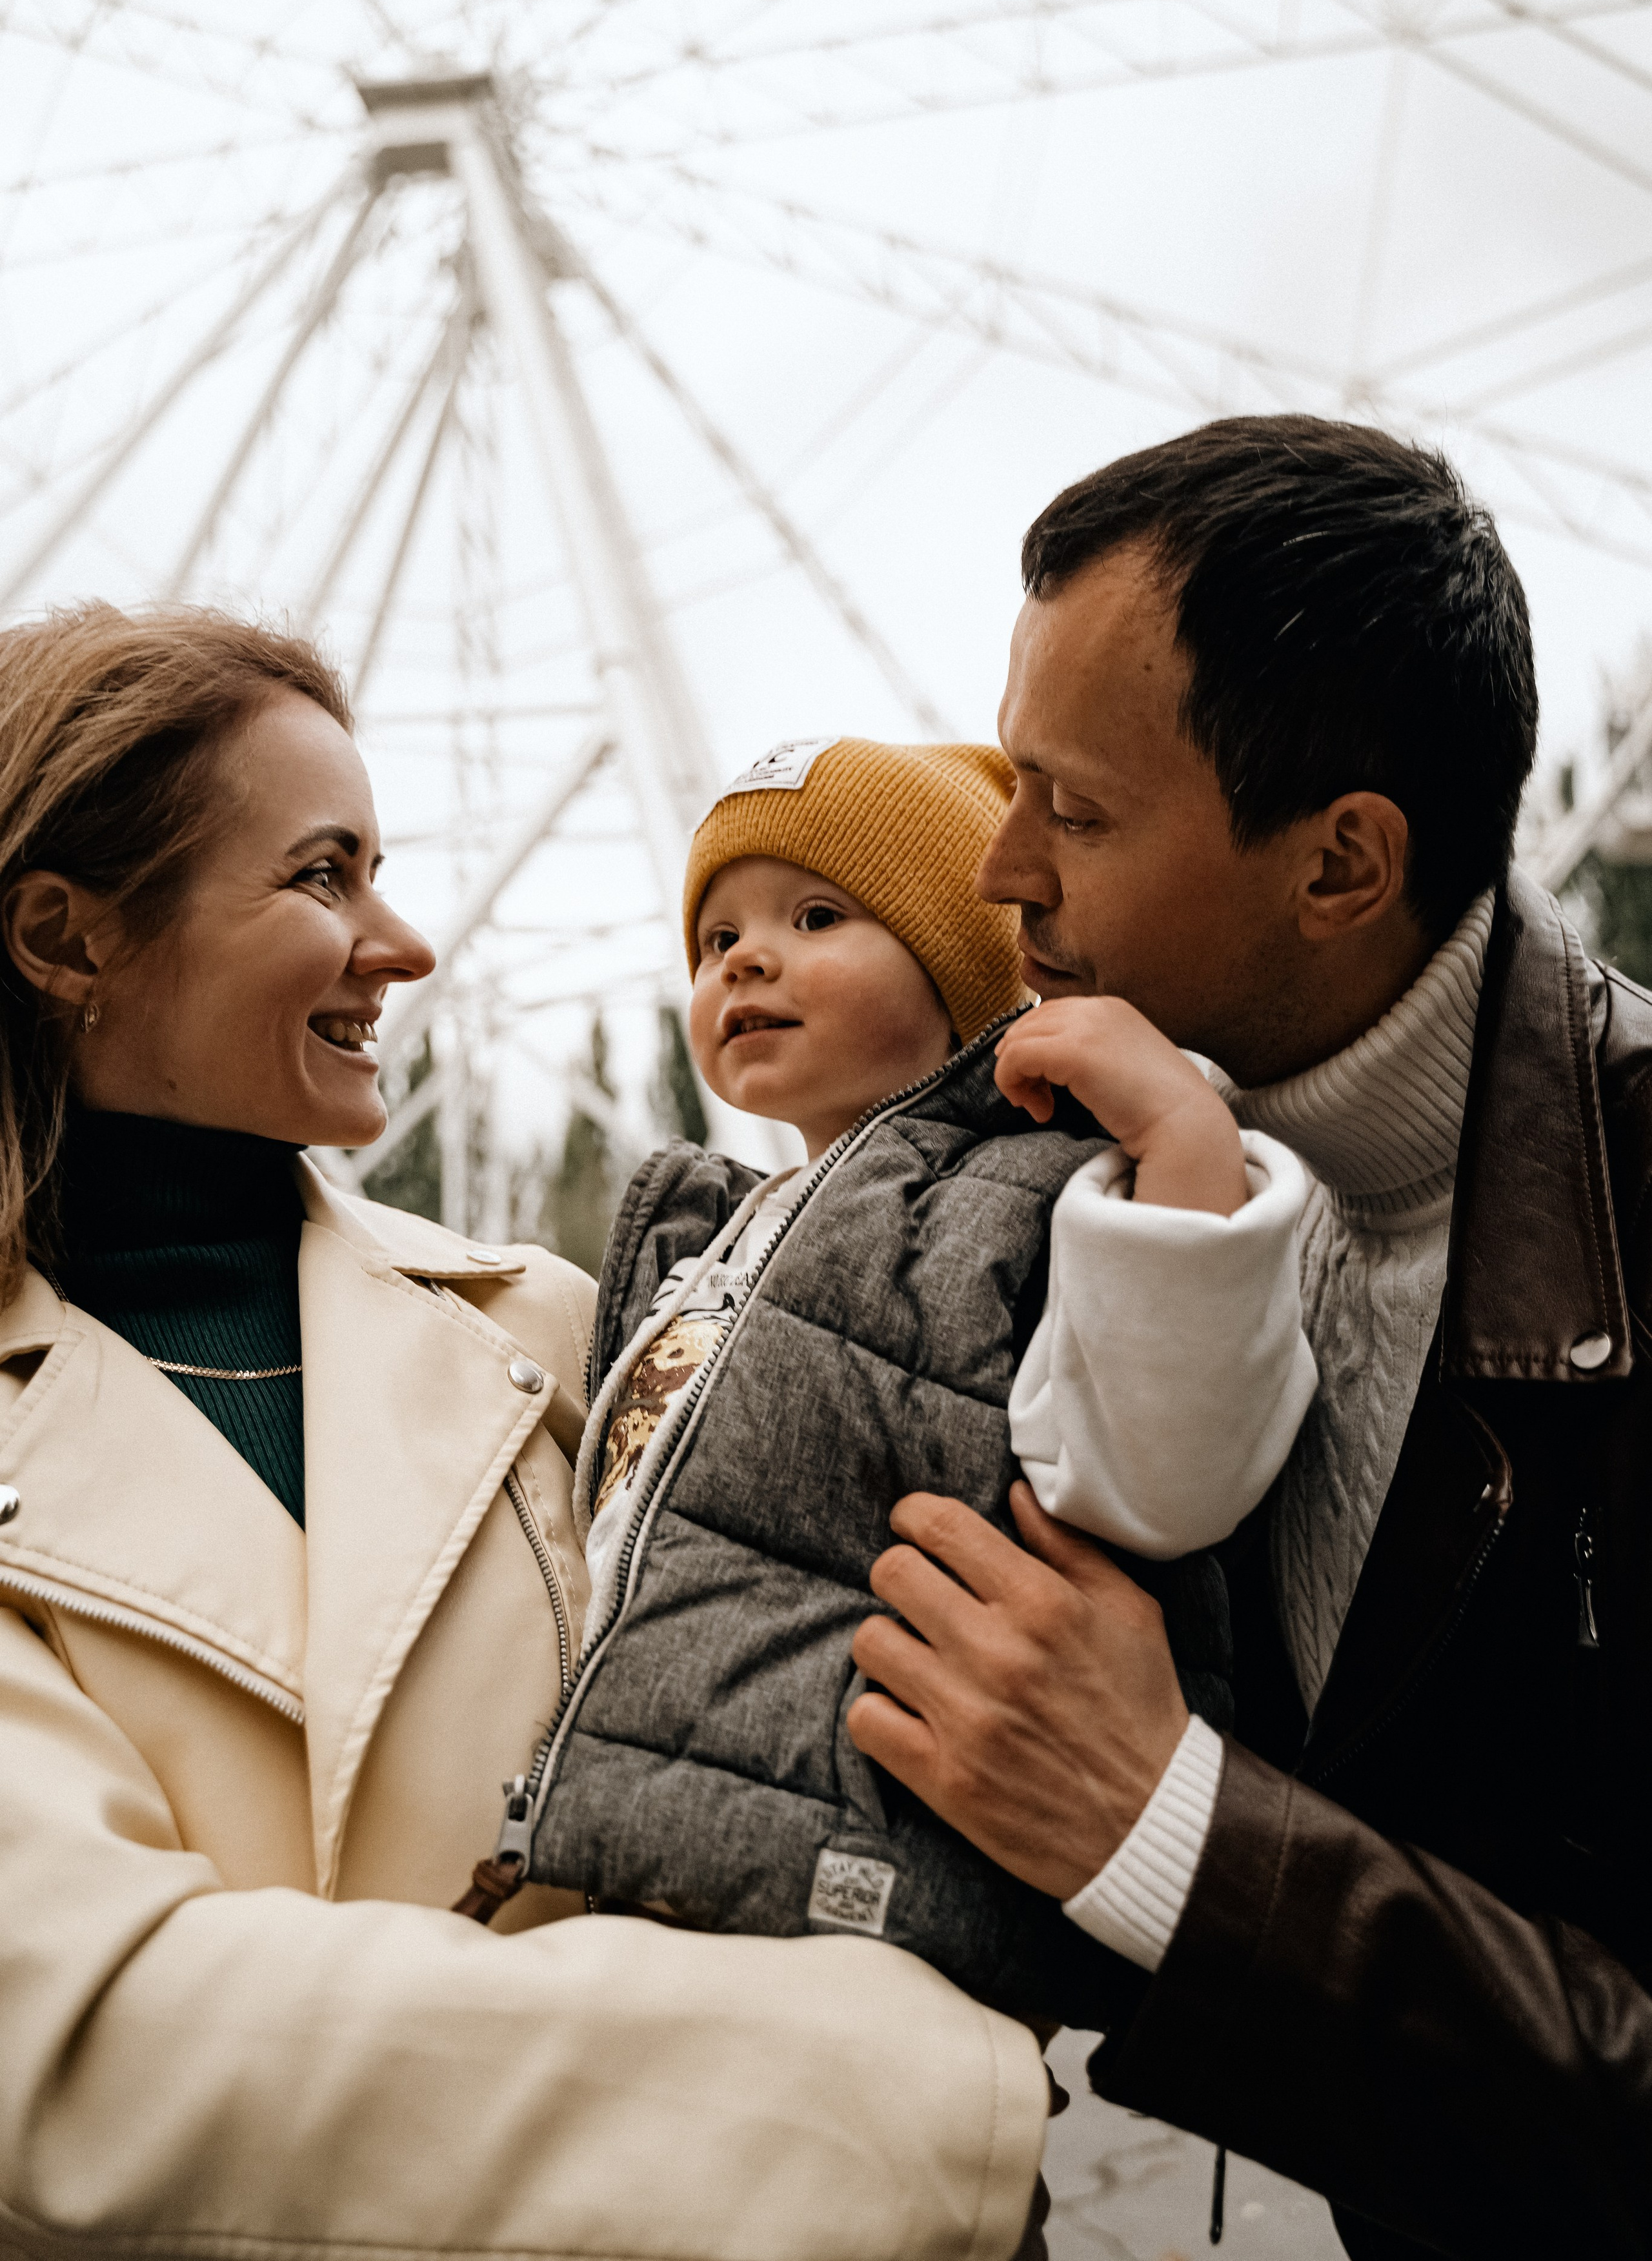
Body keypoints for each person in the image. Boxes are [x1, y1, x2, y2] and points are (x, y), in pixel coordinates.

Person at [0, 601, 1047, 2261]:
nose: (404, 943)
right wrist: (912, 2094)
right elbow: (83, 2042)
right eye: (322, 874)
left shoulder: (564, 1331)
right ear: (68, 938)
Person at [843, 417, 1652, 2260]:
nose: (1001, 874)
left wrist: (1173, 1833)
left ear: (1343, 864)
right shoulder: (1087, 1201)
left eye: (1081, 810)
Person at [523, 736, 1313, 2016]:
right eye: (714, 936)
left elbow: (1158, 1471)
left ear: (961, 963)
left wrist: (1180, 1146)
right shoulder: (708, 1231)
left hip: (864, 1888)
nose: (745, 957)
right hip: (648, 1857)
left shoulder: (1025, 1201)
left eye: (817, 915)